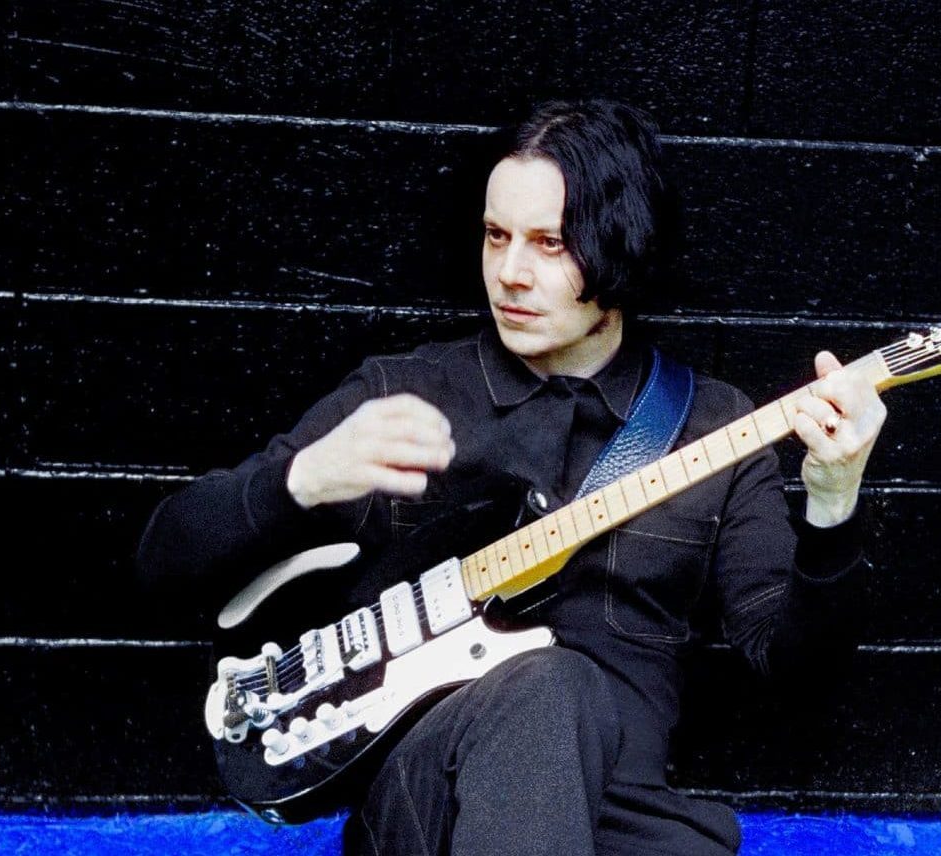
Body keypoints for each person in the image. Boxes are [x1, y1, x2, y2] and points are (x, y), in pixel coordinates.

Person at [138, 99, 887, 856]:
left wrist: (834, 502)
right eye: (496, 236)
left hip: (623, 820)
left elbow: (797, 671)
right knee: (549, 682)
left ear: (622, 246)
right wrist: (300, 480)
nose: (509, 274)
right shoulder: (404, 392)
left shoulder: (716, 427)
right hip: (431, 809)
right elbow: (165, 561)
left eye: (549, 244)